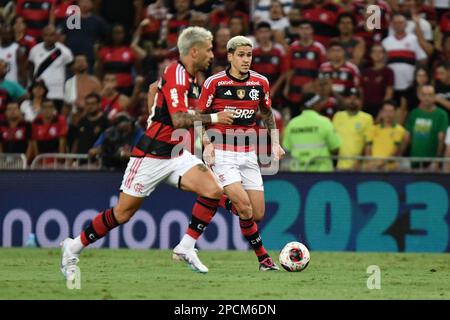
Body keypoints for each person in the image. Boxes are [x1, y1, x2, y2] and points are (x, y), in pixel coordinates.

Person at [60, 27, 235, 280]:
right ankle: (73, 246)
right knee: (122, 213)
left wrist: (159, 107)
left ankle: (186, 247)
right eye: (208, 49)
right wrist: (216, 117)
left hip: (175, 154)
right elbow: (177, 119)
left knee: (213, 189)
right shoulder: (177, 73)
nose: (212, 54)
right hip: (150, 156)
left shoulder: (191, 77)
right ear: (194, 51)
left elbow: (156, 89)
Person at [195, 35, 285, 271]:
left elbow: (266, 114)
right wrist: (207, 143)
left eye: (249, 55)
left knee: (256, 213)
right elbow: (198, 116)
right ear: (230, 56)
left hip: (248, 153)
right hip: (222, 151)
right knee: (244, 208)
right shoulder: (214, 83)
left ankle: (213, 195)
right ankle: (264, 259)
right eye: (241, 55)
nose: (246, 60)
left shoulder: (260, 82)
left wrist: (274, 143)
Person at [282, 93, 341, 172]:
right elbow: (335, 148)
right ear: (314, 105)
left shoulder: (292, 124)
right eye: (318, 102)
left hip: (297, 172)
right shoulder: (325, 122)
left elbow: (286, 149)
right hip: (322, 171)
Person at [28, 25, 74, 113]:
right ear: (43, 36)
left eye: (52, 35)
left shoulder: (64, 51)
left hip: (57, 93)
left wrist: (68, 91)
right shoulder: (34, 50)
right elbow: (30, 68)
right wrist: (32, 84)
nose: (49, 38)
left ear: (56, 36)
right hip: (39, 94)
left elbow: (71, 72)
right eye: (46, 35)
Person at [405, 85, 449, 170]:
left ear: (434, 96)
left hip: (432, 162)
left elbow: (441, 139)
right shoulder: (413, 113)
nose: (427, 98)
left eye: (430, 95)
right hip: (415, 160)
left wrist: (436, 160)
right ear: (419, 96)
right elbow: (407, 137)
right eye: (424, 95)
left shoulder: (442, 115)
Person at [332, 87, 373, 170]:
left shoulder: (367, 118)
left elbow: (368, 143)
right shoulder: (338, 116)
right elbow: (333, 140)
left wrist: (359, 161)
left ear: (360, 101)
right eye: (349, 98)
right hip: (340, 166)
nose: (352, 101)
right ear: (344, 99)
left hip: (359, 167)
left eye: (355, 98)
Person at [365, 100, 407, 171]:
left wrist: (380, 164)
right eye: (386, 111)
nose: (388, 114)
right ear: (381, 112)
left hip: (390, 169)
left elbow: (395, 151)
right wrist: (371, 163)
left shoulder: (400, 130)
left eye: (391, 111)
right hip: (372, 167)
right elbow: (368, 150)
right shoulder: (373, 129)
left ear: (395, 112)